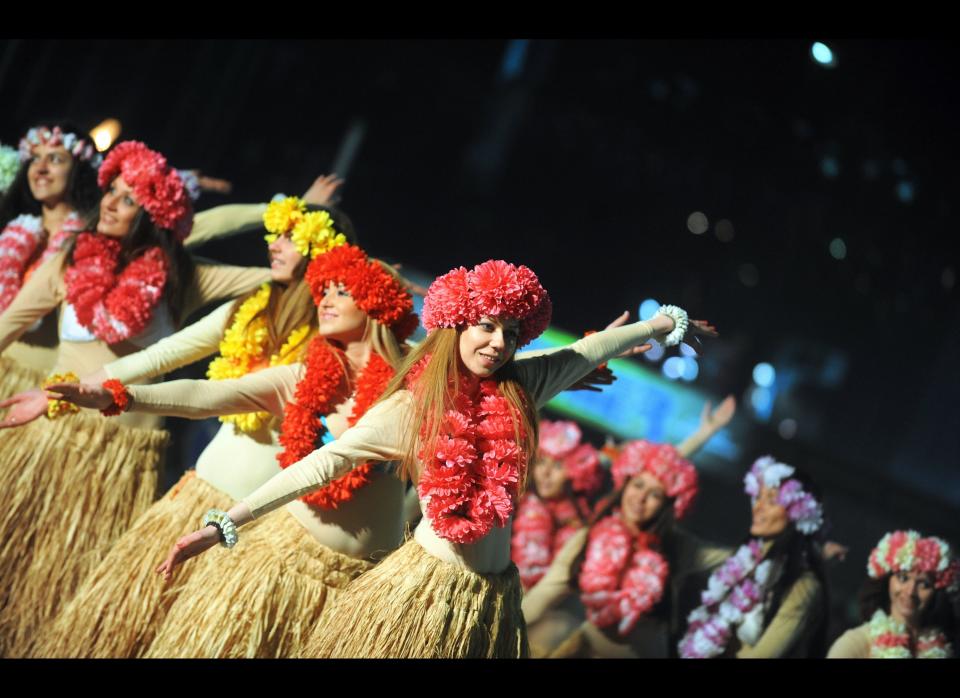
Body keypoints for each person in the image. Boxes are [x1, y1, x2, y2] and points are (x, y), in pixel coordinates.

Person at [150, 258, 716, 658]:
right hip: (419, 595)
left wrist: (668, 323)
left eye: (511, 334)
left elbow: (590, 349)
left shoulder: (524, 385)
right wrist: (227, 523)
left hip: (490, 601)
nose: (497, 343)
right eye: (486, 327)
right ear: (456, 326)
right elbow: (323, 464)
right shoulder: (409, 409)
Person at [28, 197, 355, 657]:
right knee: (120, 627)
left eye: (288, 237)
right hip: (201, 489)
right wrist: (80, 388)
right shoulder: (249, 308)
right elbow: (164, 355)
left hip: (258, 521)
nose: (273, 245)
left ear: (319, 249)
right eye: (275, 234)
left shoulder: (337, 342)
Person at [0, 141, 270, 655]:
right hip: (45, 435)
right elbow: (9, 322)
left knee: (63, 577)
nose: (110, 203)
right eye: (112, 192)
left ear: (153, 217)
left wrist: (309, 229)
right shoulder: (70, 257)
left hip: (119, 461)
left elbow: (279, 281)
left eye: (127, 200)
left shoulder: (184, 276)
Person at [520, 398, 736, 658]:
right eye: (637, 486)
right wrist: (499, 624)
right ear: (625, 486)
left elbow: (663, 468)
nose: (641, 498)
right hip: (572, 634)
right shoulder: (590, 535)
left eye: (654, 494)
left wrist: (704, 433)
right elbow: (545, 593)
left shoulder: (674, 546)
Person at [678, 456, 829, 658]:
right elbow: (684, 550)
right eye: (758, 497)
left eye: (771, 500)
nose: (758, 506)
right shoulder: (740, 561)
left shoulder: (803, 586)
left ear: (798, 513)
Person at [827, 530, 958, 658]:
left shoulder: (943, 647)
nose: (910, 591)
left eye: (924, 584)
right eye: (903, 578)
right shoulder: (856, 642)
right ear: (887, 581)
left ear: (936, 592)